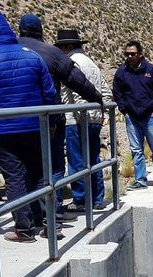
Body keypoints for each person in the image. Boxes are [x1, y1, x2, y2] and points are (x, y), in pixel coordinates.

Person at [0, 6, 57, 242]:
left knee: (14, 176)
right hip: (36, 126)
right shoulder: (31, 55)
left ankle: (24, 229)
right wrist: (51, 121)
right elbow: (49, 92)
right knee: (40, 173)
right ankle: (50, 224)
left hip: (2, 129)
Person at [17, 14, 103, 218]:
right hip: (50, 120)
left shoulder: (7, 50)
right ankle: (52, 214)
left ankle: (27, 217)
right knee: (55, 166)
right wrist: (97, 99)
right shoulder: (52, 54)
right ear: (41, 31)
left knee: (21, 169)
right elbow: (77, 81)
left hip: (14, 122)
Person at [54, 29, 112, 211]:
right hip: (94, 119)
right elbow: (106, 92)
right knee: (93, 158)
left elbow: (79, 93)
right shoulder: (92, 64)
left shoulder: (72, 63)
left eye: (62, 47)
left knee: (77, 160)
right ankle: (97, 198)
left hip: (77, 120)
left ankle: (80, 200)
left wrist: (81, 115)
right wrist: (103, 115)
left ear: (69, 46)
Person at [112, 40, 153, 190]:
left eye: (133, 54)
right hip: (132, 117)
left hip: (149, 117)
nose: (130, 56)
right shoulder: (122, 72)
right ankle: (140, 180)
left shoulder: (152, 71)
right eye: (127, 54)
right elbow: (117, 92)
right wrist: (124, 110)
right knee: (136, 150)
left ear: (140, 54)